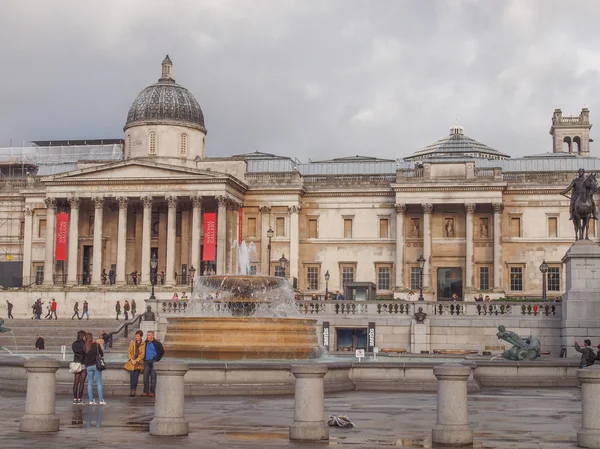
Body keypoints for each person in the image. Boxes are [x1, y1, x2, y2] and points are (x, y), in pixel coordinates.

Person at [83, 332, 106, 405]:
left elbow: (84, 357)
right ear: (92, 338)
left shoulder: (85, 346)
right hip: (96, 365)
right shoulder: (96, 345)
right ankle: (101, 400)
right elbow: (101, 354)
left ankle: (91, 400)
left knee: (90, 383)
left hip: (88, 366)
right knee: (99, 383)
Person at [141, 330, 164, 397]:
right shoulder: (145, 343)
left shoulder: (157, 343)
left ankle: (152, 392)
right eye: (147, 335)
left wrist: (157, 359)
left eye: (149, 335)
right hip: (146, 361)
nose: (147, 336)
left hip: (154, 362)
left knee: (153, 378)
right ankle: (145, 392)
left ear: (152, 336)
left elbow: (162, 352)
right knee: (145, 377)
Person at [124, 330, 146, 397]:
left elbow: (142, 354)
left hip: (138, 362)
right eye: (136, 336)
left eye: (138, 336)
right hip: (132, 361)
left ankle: (133, 390)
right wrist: (131, 359)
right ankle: (132, 390)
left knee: (136, 376)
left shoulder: (143, 344)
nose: (136, 337)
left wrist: (136, 360)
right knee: (132, 375)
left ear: (141, 336)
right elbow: (129, 352)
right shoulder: (132, 343)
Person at [72, 330, 87, 405]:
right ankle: (80, 398)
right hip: (83, 363)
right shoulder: (84, 344)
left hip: (76, 362)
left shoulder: (74, 344)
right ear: (83, 336)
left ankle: (75, 398)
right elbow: (86, 353)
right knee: (82, 382)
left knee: (76, 381)